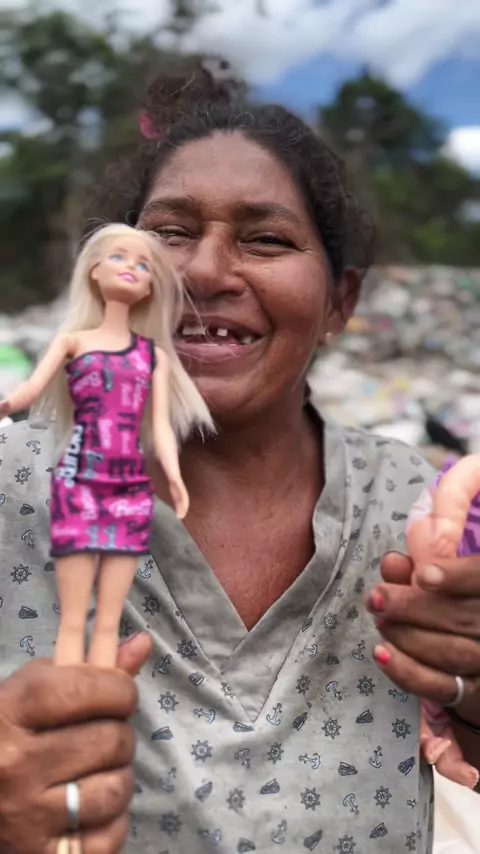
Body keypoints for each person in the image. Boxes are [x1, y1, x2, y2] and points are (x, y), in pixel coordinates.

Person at [1, 68, 480, 854]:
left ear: (341, 301)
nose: (203, 272)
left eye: (266, 239)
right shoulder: (11, 486)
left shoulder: (414, 510)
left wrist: (468, 698)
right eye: (169, 233)